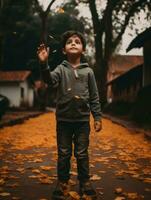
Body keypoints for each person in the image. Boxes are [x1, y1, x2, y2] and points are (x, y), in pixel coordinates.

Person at [37, 30, 102, 199]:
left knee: (82, 153)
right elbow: (50, 81)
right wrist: (44, 64)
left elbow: (94, 96)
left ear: (84, 50)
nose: (73, 43)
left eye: (77, 42)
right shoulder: (61, 69)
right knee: (64, 153)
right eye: (70, 42)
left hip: (82, 121)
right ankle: (62, 181)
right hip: (64, 121)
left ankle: (85, 181)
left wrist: (97, 117)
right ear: (64, 50)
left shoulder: (88, 72)